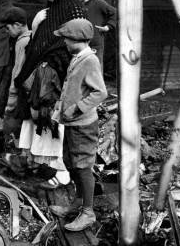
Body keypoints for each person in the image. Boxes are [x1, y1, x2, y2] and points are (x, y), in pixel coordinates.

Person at [13, 0, 87, 189]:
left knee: (56, 124)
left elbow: (74, 48)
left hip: (59, 80)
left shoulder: (75, 13)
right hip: (42, 79)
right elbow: (37, 44)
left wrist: (52, 66)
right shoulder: (48, 12)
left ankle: (63, 172)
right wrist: (37, 24)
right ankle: (48, 167)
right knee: (39, 120)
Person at [48, 18, 107, 231]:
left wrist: (77, 108)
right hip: (72, 122)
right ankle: (77, 203)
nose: (63, 42)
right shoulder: (77, 57)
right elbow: (69, 88)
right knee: (71, 163)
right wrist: (59, 111)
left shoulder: (89, 60)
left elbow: (100, 92)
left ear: (76, 39)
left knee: (82, 167)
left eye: (65, 38)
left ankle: (88, 212)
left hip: (83, 124)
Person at [73, 0, 116, 71]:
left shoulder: (99, 3)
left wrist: (108, 27)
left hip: (95, 44)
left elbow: (115, 13)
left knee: (95, 70)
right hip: (79, 44)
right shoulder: (76, 5)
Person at [1, 7, 32, 139]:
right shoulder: (30, 37)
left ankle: (12, 153)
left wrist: (11, 100)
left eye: (8, 28)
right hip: (29, 92)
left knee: (12, 126)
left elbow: (17, 72)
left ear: (18, 25)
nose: (7, 32)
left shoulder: (23, 42)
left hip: (23, 93)